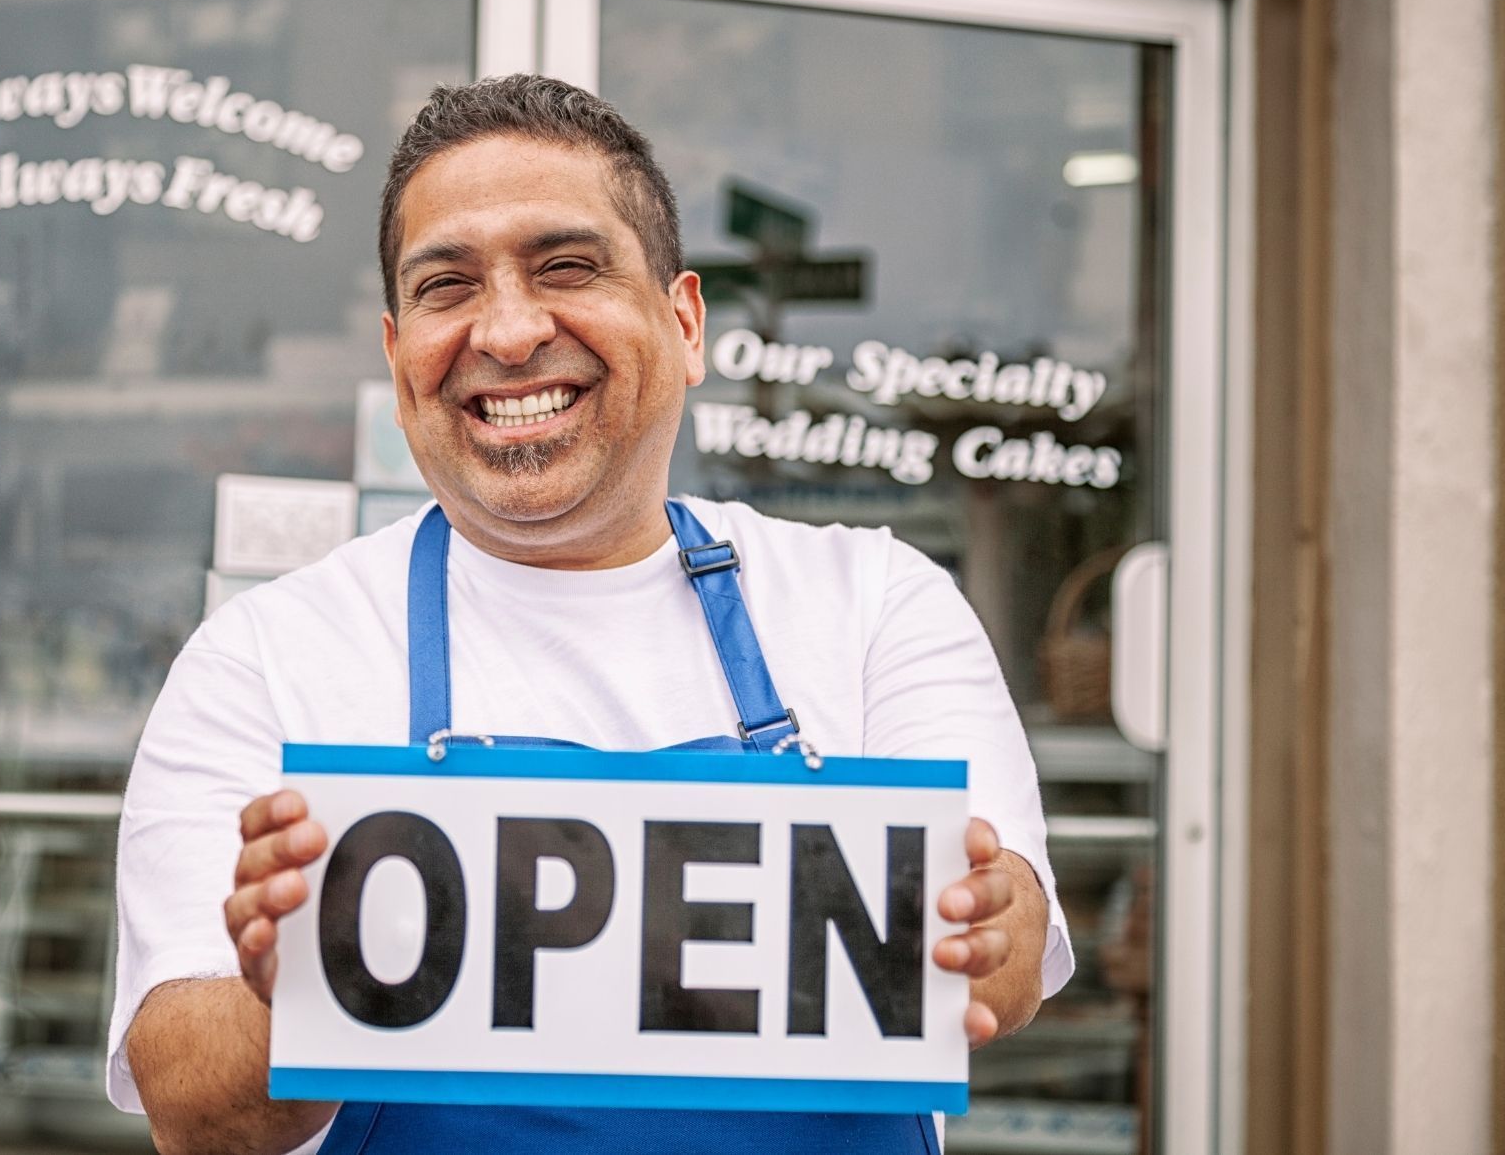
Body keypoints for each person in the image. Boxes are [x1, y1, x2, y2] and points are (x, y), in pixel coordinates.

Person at [105, 74, 1073, 1155]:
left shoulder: (874, 603)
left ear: (686, 322)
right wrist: (300, 1002)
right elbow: (187, 1104)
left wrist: (988, 924)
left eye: (567, 267)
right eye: (447, 286)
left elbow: (1012, 958)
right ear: (396, 353)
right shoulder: (266, 657)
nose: (509, 332)